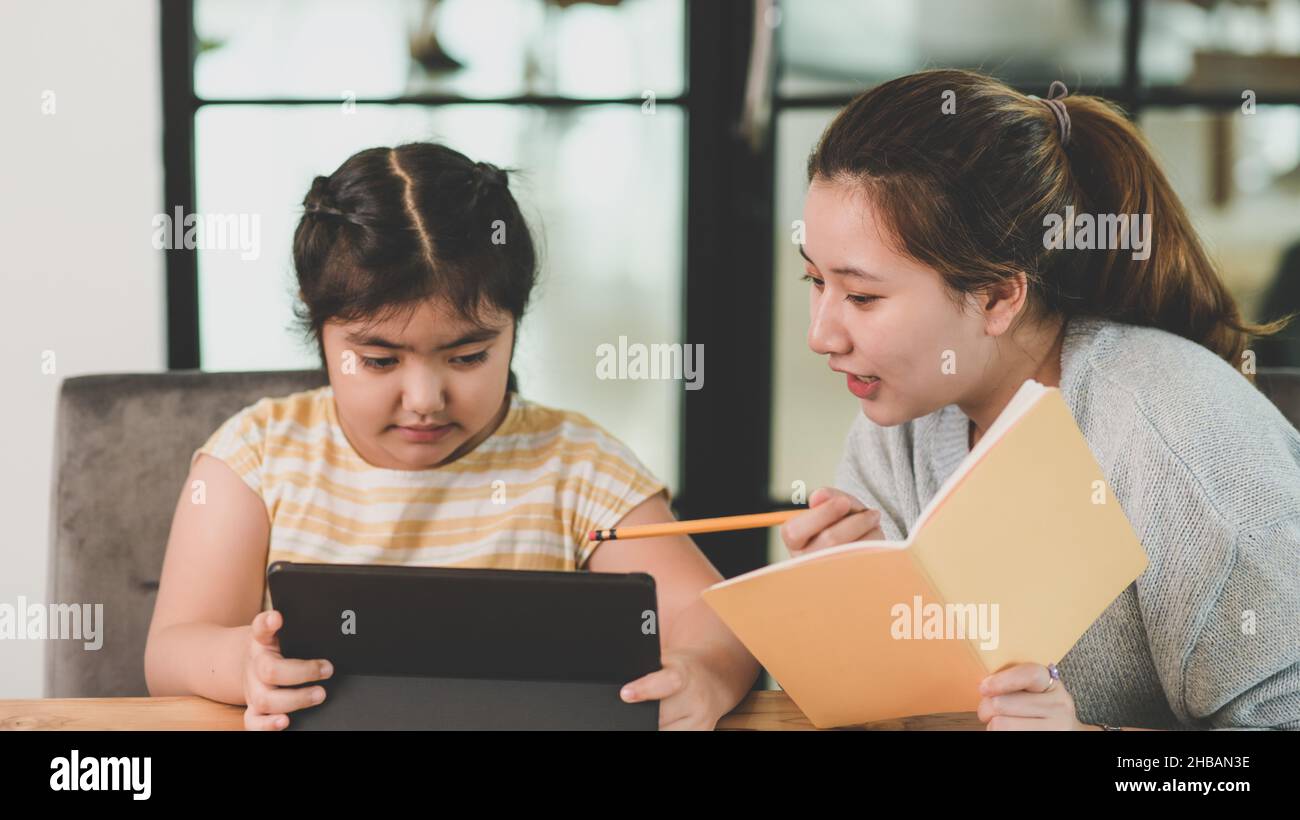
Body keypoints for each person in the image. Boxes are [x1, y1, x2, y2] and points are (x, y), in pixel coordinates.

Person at [144, 142, 758, 730]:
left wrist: (702, 672)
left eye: (467, 357)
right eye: (380, 362)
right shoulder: (254, 458)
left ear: (513, 326)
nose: (425, 400)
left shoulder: (575, 464)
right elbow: (173, 650)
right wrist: (244, 667)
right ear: (320, 330)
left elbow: (718, 618)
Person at [780, 69, 1300, 730]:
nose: (820, 333)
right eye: (813, 280)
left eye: (861, 296)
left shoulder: (1174, 428)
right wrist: (848, 629)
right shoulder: (897, 428)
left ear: (999, 296)